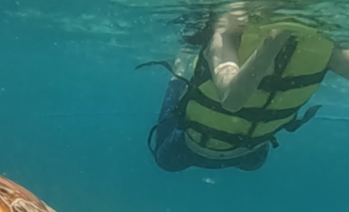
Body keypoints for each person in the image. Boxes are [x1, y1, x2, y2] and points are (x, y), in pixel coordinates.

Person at [139, 2, 349, 172]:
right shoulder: (223, 37)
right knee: (164, 161)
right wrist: (273, 42)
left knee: (253, 165)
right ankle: (179, 73)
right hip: (190, 146)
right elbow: (232, 101)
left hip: (251, 152)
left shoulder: (321, 44)